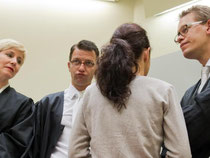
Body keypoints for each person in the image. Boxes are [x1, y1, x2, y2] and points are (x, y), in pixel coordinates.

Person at [68, 23, 191, 158]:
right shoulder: (163, 91)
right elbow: (181, 154)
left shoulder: (92, 92)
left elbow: (75, 152)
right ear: (146, 53)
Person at [33, 40, 99, 158]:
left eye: (88, 63)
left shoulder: (103, 105)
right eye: (77, 62)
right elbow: (35, 145)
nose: (81, 68)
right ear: (69, 66)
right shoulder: (48, 104)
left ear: (96, 68)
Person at [172, 5, 210, 158]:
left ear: (208, 26)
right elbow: (176, 140)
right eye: (178, 35)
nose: (179, 38)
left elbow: (176, 128)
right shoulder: (190, 94)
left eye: (185, 29)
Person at [0, 39, 34, 158]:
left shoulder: (23, 104)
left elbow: (15, 144)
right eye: (9, 55)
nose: (14, 62)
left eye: (19, 61)